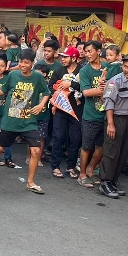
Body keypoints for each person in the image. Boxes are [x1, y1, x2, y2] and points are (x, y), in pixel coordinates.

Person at [0, 49, 50, 194]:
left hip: (29, 120)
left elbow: (46, 93)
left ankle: (30, 182)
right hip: (11, 119)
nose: (22, 65)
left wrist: (41, 104)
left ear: (32, 63)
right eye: (21, 62)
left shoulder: (37, 77)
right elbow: (4, 90)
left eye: (26, 63)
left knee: (36, 150)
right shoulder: (12, 75)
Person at [49, 46, 83, 179]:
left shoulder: (82, 71)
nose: (62, 59)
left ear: (74, 58)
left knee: (75, 139)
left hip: (77, 110)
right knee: (58, 136)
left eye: (65, 57)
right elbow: (50, 87)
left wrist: (71, 85)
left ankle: (71, 166)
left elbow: (86, 87)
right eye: (62, 57)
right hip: (61, 109)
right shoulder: (58, 71)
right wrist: (58, 91)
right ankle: (55, 166)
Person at [77, 41, 107, 188]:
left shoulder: (109, 67)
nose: (87, 54)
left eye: (90, 51)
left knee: (102, 147)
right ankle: (82, 174)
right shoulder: (85, 71)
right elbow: (86, 92)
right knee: (87, 146)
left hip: (107, 115)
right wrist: (107, 90)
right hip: (90, 116)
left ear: (99, 51)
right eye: (86, 51)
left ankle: (90, 169)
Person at [99, 55, 128, 198]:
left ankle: (113, 181)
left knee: (123, 152)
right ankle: (105, 182)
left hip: (127, 120)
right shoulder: (115, 81)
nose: (127, 70)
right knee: (111, 151)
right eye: (125, 66)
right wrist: (110, 124)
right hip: (116, 119)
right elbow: (109, 103)